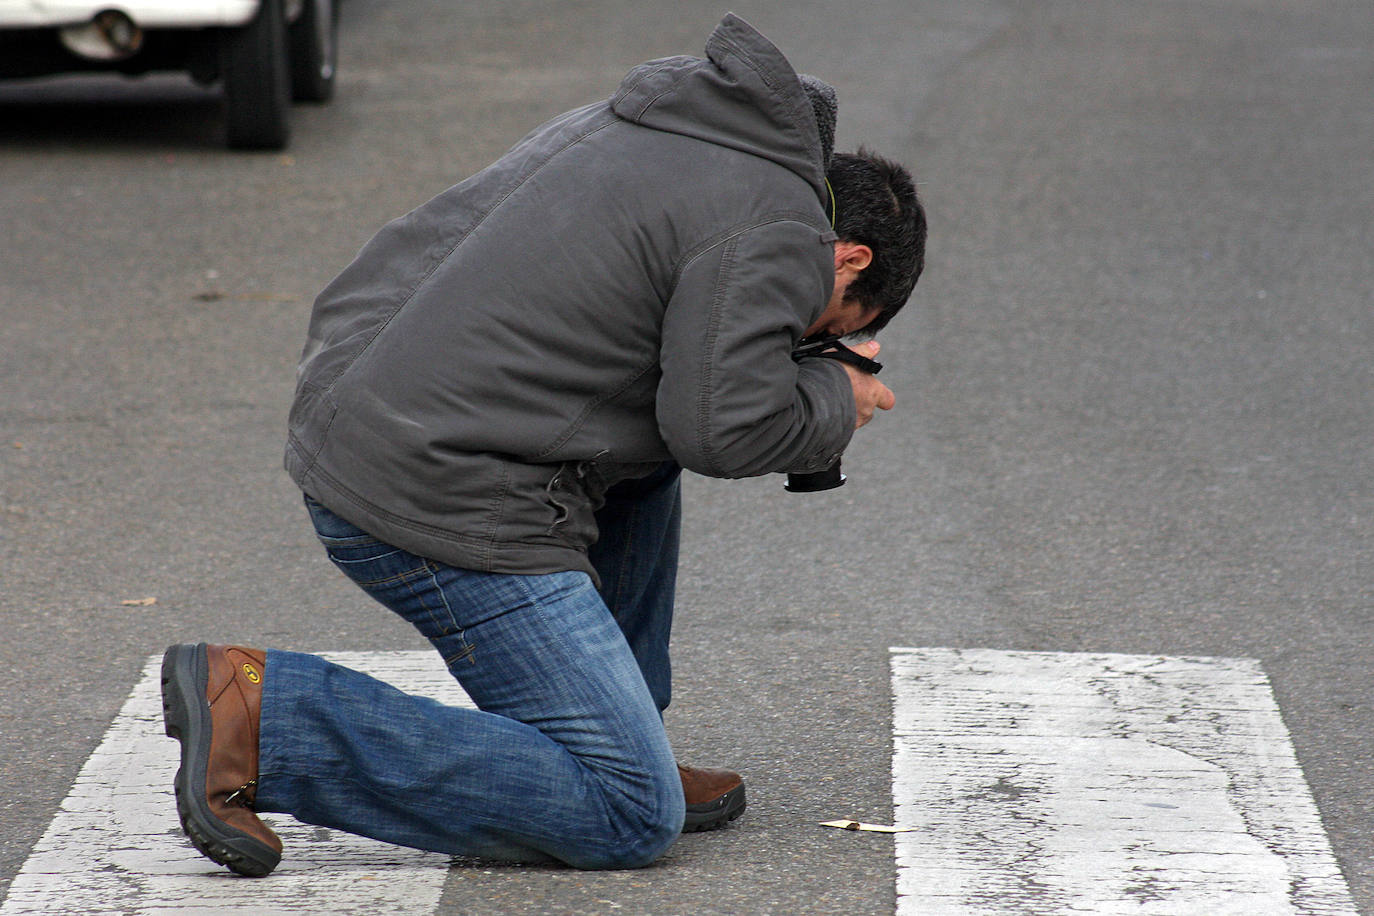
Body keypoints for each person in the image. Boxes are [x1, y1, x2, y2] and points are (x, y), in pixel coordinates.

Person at [160, 12, 926, 877]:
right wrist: (834, 391)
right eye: (833, 326)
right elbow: (727, 426)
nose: (808, 335)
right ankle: (270, 721)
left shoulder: (672, 127)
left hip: (375, 413)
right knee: (630, 815)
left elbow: (676, 409)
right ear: (851, 258)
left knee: (645, 466)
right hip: (438, 483)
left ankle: (607, 727)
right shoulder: (778, 228)